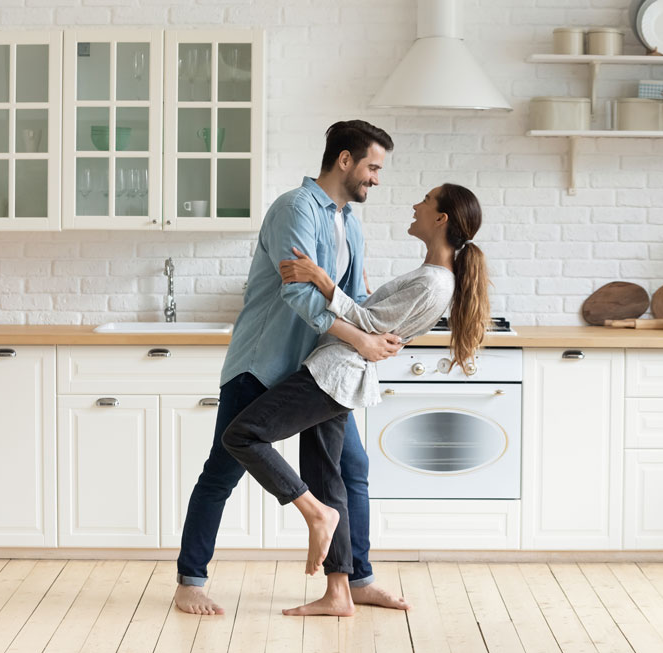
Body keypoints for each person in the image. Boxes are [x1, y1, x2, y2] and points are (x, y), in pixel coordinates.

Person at [174, 120, 410, 615]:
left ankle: (357, 580)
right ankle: (190, 580)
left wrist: (375, 330)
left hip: (317, 371)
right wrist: (361, 338)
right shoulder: (295, 209)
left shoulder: (350, 222)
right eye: (372, 166)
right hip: (262, 364)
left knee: (353, 468)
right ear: (344, 160)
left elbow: (355, 298)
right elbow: (298, 293)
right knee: (223, 471)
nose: (376, 178)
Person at [222, 183, 490, 616]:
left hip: (332, 374)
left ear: (441, 219)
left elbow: (366, 324)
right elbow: (373, 318)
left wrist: (323, 280)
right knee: (330, 476)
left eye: (426, 199)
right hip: (339, 373)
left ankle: (313, 513)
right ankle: (339, 591)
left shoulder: (434, 280)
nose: (416, 203)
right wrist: (354, 290)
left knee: (243, 435)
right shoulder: (433, 276)